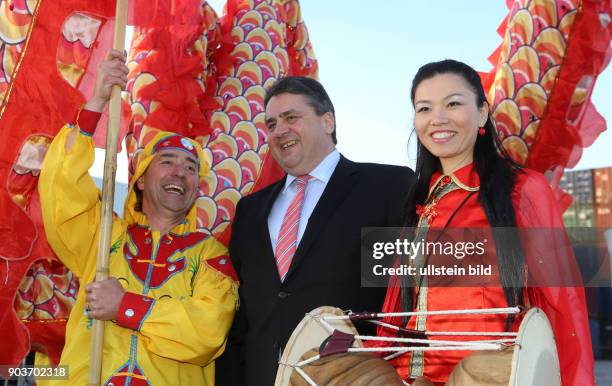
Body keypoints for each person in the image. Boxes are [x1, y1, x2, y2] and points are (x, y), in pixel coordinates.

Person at [377, 59, 595, 385]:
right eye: (424, 108)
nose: (437, 118)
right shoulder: (421, 199)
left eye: (453, 103)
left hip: (489, 377)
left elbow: (563, 305)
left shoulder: (523, 190)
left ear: (481, 113)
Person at [38, 50, 238, 385]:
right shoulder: (103, 238)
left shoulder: (211, 256)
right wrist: (98, 100)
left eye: (191, 168)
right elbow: (61, 188)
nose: (181, 172)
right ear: (141, 179)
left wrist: (126, 306)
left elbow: (207, 332)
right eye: (168, 161)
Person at [215, 76, 415, 385]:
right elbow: (243, 317)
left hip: (348, 377)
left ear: (328, 121)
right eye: (270, 124)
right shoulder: (250, 210)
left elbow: (409, 292)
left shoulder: (387, 187)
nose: (279, 130)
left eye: (291, 117)